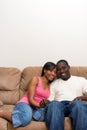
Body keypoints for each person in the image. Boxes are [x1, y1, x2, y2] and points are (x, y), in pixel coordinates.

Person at [0, 62, 56, 128]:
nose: (53, 74)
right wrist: (39, 105)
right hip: (26, 103)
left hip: (38, 109)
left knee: (47, 116)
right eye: (50, 71)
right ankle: (1, 113)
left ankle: (26, 115)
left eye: (55, 72)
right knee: (25, 119)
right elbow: (30, 99)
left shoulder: (51, 86)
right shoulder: (36, 79)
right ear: (45, 70)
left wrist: (45, 103)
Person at [44, 59, 87, 130]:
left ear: (69, 67)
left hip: (75, 104)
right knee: (53, 105)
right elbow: (50, 100)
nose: (61, 71)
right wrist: (45, 102)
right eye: (58, 70)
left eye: (64, 68)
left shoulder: (81, 80)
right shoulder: (54, 84)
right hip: (59, 105)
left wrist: (80, 97)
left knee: (79, 105)